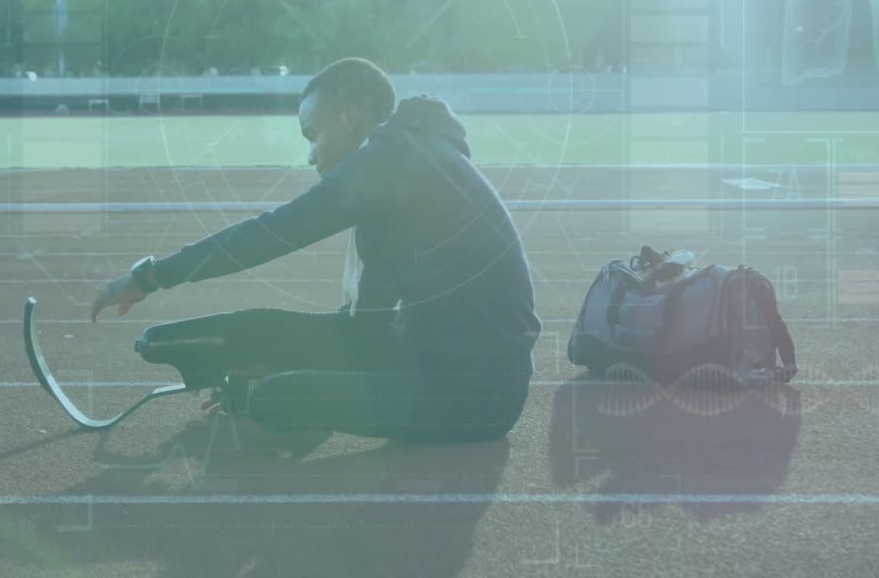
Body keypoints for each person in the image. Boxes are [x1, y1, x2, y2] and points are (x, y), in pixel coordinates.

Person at [90, 57, 541, 443]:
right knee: (260, 335)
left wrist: (152, 276)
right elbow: (367, 326)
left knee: (275, 399)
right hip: (430, 358)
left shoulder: (394, 160)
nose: (310, 156)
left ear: (349, 116)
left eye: (312, 135)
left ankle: (266, 395)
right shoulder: (403, 165)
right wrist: (273, 355)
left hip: (474, 397)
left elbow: (276, 232)